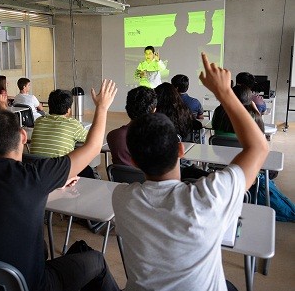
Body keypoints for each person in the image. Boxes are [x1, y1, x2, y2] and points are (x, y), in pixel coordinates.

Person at [112, 53, 269, 291]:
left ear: (133, 160)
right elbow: (259, 146)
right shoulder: (208, 198)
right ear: (181, 149)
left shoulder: (122, 198)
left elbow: (257, 148)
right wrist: (224, 93)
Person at [0, 79, 119, 291]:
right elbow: (93, 148)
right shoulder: (34, 177)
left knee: (78, 251)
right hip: (33, 285)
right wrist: (102, 107)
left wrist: (52, 190)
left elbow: (14, 199)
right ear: (22, 136)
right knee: (97, 261)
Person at [31, 89, 96, 178]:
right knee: (88, 170)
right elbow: (91, 139)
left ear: (49, 106)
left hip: (36, 170)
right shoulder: (72, 124)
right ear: (68, 110)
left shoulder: (39, 121)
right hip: (59, 173)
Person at [106, 86, 157, 166]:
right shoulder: (158, 137)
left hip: (121, 179)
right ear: (154, 111)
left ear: (127, 108)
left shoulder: (113, 136)